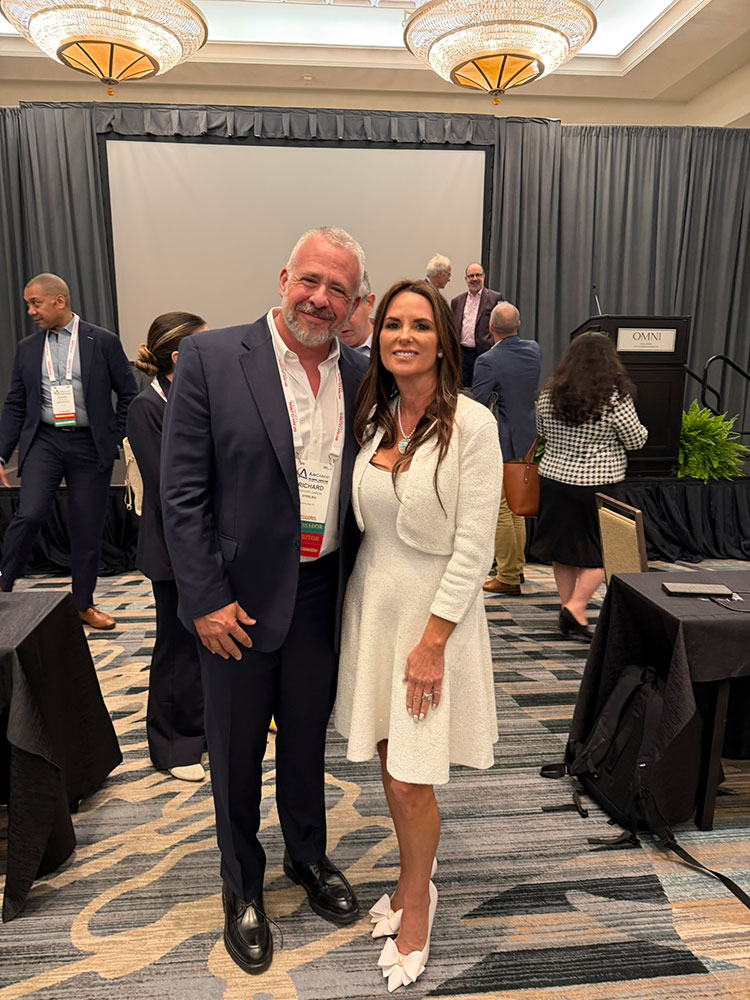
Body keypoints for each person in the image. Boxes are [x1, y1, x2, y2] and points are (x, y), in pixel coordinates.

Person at [160, 227, 368, 976]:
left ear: (355, 303)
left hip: (323, 592)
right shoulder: (212, 358)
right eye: (310, 280)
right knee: (237, 749)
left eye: (338, 289)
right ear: (284, 278)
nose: (320, 298)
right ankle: (241, 883)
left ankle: (306, 856)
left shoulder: (363, 373)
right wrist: (204, 599)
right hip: (236, 603)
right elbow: (181, 492)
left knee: (306, 740)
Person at [334, 279, 502, 991]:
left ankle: (419, 903)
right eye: (393, 324)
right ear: (378, 337)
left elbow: (475, 546)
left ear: (443, 342)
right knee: (387, 757)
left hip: (434, 618)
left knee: (411, 777)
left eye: (421, 325)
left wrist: (433, 641)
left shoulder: (473, 425)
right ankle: (409, 881)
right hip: (374, 607)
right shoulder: (375, 419)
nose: (405, 336)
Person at [0, 273, 137, 629]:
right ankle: (2, 589)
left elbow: (128, 393)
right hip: (45, 440)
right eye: (27, 304)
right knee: (29, 513)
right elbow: (15, 404)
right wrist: (1, 453)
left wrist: (116, 437)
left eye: (35, 303)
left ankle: (83, 604)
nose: (30, 311)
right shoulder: (27, 348)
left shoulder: (102, 341)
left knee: (87, 526)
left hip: (89, 444)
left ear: (59, 301)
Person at [126, 312, 208, 782]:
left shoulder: (197, 396)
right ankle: (173, 748)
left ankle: (201, 731)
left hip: (205, 542)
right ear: (180, 356)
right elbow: (167, 487)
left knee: (206, 646)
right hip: (173, 549)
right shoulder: (147, 407)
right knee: (176, 648)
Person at [531, 332, 648, 639]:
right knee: (606, 552)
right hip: (597, 485)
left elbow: (541, 430)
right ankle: (576, 607)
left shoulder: (550, 392)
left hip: (554, 480)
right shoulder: (614, 397)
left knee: (562, 549)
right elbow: (635, 440)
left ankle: (568, 608)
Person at [472, 302, 541, 595]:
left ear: (490, 328)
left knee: (502, 508)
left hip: (503, 439)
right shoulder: (534, 350)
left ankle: (508, 576)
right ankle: (516, 568)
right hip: (528, 436)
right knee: (517, 507)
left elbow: (478, 403)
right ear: (519, 324)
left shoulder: (487, 361)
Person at [450, 263, 504, 387]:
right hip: (462, 355)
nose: (474, 279)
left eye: (478, 275)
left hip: (484, 353)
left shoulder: (495, 298)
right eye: (471, 276)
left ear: (483, 277)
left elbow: (500, 325)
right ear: (466, 279)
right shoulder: (457, 301)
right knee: (462, 390)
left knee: (483, 388)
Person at [339, 271, 376, 356]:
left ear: (369, 303)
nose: (341, 322)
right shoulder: (318, 348)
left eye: (350, 310)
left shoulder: (393, 345)